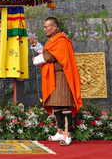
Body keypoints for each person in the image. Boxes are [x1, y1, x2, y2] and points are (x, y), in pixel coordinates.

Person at [30, 17, 83, 146]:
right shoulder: (53, 39)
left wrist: (35, 60)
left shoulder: (61, 39)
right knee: (56, 105)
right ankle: (59, 132)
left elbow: (50, 56)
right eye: (44, 27)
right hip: (54, 76)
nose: (44, 29)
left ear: (54, 27)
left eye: (47, 27)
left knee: (64, 105)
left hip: (62, 76)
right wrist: (36, 45)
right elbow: (46, 51)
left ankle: (67, 134)